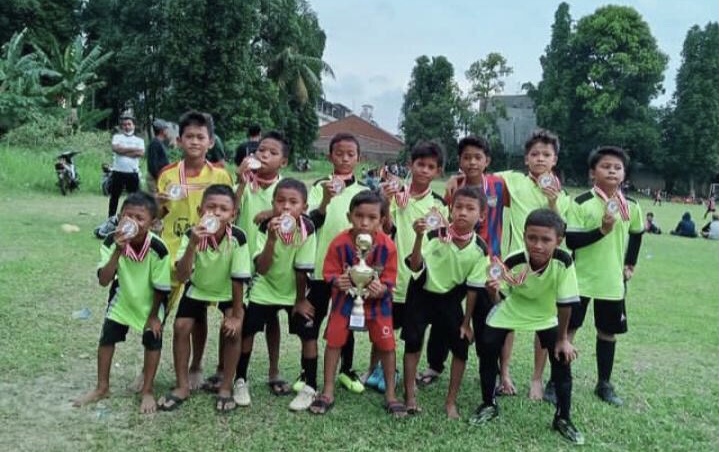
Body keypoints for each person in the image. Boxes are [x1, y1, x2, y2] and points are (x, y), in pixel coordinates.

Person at [470, 209, 584, 445]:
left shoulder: (564, 261)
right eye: (532, 238)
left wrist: (563, 339)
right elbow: (501, 298)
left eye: (546, 239)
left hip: (544, 313)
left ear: (558, 241)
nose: (538, 245)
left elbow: (565, 304)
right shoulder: (514, 260)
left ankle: (563, 417)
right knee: (488, 345)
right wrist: (492, 292)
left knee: (561, 357)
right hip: (513, 308)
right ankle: (488, 403)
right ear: (524, 236)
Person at [419, 135, 511, 392]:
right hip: (454, 262)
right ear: (459, 160)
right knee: (442, 313)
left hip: (487, 262)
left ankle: (496, 372)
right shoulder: (453, 187)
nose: (472, 162)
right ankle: (435, 365)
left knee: (489, 317)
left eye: (478, 158)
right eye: (466, 157)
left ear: (487, 161)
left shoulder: (499, 185)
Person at [310, 190, 406, 417]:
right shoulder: (339, 243)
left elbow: (391, 278)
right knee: (334, 342)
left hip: (377, 305)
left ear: (382, 220)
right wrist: (338, 280)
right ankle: (328, 391)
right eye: (358, 216)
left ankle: (391, 395)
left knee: (387, 345)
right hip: (344, 302)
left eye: (372, 217)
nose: (364, 222)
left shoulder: (388, 247)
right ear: (348, 216)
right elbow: (329, 272)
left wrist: (381, 288)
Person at [73, 192, 170, 414]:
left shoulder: (158, 248)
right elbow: (104, 280)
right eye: (128, 216)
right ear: (119, 217)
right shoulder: (111, 241)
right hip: (123, 299)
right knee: (107, 338)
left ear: (152, 223)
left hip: (151, 303)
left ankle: (147, 390)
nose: (133, 222)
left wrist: (154, 317)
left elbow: (161, 288)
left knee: (152, 340)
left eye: (140, 218)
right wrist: (118, 249)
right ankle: (102, 387)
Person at [156, 111, 233, 390]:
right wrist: (157, 202)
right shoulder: (167, 174)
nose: (195, 142)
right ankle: (147, 368)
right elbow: (157, 213)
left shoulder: (220, 175)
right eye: (189, 136)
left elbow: (230, 211)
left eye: (201, 137)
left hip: (209, 254)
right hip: (173, 251)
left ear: (210, 142)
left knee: (198, 312)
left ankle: (197, 365)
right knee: (158, 311)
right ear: (179, 141)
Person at [158, 184, 251, 412]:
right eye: (211, 207)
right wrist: (192, 244)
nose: (217, 213)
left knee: (233, 329)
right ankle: (182, 386)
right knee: (181, 326)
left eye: (223, 209)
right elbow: (181, 275)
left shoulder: (238, 237)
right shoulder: (191, 234)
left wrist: (237, 316)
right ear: (201, 211)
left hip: (228, 291)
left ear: (233, 214)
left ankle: (226, 387)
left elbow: (238, 279)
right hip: (198, 288)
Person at [496, 129, 571, 402]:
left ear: (555, 160)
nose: (540, 158)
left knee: (543, 323)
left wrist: (552, 199)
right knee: (506, 322)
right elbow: (482, 179)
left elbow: (563, 230)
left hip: (546, 269)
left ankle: (537, 379)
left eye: (546, 154)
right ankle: (503, 374)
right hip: (514, 266)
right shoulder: (512, 180)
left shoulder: (561, 195)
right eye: (535, 154)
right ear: (526, 159)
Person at [403, 187, 491, 418]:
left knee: (461, 347)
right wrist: (419, 235)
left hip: (450, 298)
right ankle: (410, 394)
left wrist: (466, 322)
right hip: (422, 293)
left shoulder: (480, 249)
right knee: (412, 342)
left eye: (470, 208)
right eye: (458, 207)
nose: (462, 213)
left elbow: (473, 288)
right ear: (450, 210)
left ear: (481, 216)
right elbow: (414, 266)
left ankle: (451, 401)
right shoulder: (435, 234)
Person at [565, 146, 643, 407]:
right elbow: (572, 240)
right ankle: (558, 380)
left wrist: (630, 264)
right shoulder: (581, 202)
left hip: (612, 282)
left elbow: (637, 233)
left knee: (608, 333)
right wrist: (602, 230)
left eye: (617, 167)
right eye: (605, 166)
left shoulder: (631, 206)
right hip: (580, 279)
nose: (612, 170)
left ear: (624, 175)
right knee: (569, 331)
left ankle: (604, 383)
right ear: (592, 173)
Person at [233, 178, 317, 410]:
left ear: (304, 207)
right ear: (273, 203)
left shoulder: (307, 229)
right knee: (249, 330)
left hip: (295, 291)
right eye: (280, 201)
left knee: (308, 333)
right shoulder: (265, 226)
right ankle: (240, 379)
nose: (286, 207)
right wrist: (271, 239)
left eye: (293, 202)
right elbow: (261, 267)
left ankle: (310, 386)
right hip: (265, 286)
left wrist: (300, 301)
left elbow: (302, 269)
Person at [375, 141, 447, 391]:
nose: (424, 170)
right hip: (391, 275)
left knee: (414, 333)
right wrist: (384, 202)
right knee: (383, 328)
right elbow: (384, 228)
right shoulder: (396, 195)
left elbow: (441, 244)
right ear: (410, 165)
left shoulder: (439, 207)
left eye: (430, 167)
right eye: (420, 164)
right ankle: (376, 371)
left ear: (438, 171)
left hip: (419, 280)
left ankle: (409, 376)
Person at [304, 133, 367, 395]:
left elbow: (372, 228)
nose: (344, 158)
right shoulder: (319, 186)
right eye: (339, 153)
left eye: (350, 154)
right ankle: (307, 375)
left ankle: (346, 370)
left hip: (353, 271)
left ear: (358, 159)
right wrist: (326, 200)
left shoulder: (364, 191)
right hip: (321, 268)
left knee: (346, 321)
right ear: (330, 156)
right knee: (313, 320)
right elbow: (310, 224)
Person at [231, 131, 288, 396]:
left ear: (283, 162)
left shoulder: (285, 189)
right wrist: (240, 180)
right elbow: (230, 210)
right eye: (260, 150)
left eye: (272, 152)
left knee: (272, 320)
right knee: (245, 321)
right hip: (243, 261)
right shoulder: (246, 184)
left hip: (271, 262)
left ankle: (274, 371)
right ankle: (236, 373)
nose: (264, 155)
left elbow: (297, 212)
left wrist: (274, 212)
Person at [97, 115, 145, 238]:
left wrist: (124, 150)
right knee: (114, 197)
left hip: (132, 173)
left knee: (134, 199)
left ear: (133, 125)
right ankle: (110, 221)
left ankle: (135, 220)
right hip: (118, 172)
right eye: (124, 124)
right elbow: (116, 149)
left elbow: (140, 152)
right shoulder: (117, 137)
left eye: (129, 124)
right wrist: (132, 151)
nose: (126, 126)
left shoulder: (139, 140)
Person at [145, 119, 171, 194]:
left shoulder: (159, 143)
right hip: (155, 179)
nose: (168, 131)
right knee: (156, 201)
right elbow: (153, 164)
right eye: (167, 129)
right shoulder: (155, 143)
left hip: (160, 177)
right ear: (162, 131)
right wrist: (158, 177)